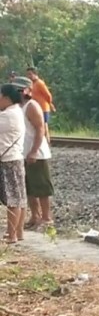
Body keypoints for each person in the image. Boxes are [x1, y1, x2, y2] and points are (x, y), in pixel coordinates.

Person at [12, 77, 52, 229]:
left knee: (41, 187)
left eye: (20, 90)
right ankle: (35, 216)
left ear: (27, 91)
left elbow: (40, 128)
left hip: (37, 153)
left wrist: (34, 151)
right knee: (28, 187)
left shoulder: (32, 106)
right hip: (22, 152)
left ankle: (46, 217)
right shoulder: (17, 107)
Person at [0, 83, 28, 243]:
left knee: (13, 199)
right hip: (14, 159)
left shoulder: (7, 116)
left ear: (6, 98)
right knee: (19, 197)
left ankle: (12, 235)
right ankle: (18, 232)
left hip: (8, 161)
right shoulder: (15, 111)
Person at [25, 67, 54, 139]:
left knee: (44, 126)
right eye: (27, 75)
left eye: (30, 74)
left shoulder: (40, 83)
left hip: (43, 108)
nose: (29, 76)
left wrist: (50, 103)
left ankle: (47, 142)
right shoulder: (32, 84)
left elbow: (48, 95)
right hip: (36, 108)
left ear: (35, 74)